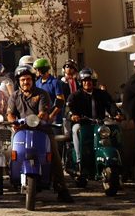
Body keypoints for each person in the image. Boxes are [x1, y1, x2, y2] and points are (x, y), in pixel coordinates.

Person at [7, 66, 73, 203]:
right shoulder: (14, 96)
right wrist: (13, 122)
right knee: (10, 151)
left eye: (28, 79)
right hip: (21, 130)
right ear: (18, 82)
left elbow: (43, 112)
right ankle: (12, 177)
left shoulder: (42, 94)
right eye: (23, 80)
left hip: (41, 129)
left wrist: (37, 118)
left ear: (33, 80)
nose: (26, 82)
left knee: (54, 156)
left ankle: (61, 188)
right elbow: (10, 114)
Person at [68, 68, 122, 163]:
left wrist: (117, 114)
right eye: (84, 81)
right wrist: (73, 115)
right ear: (81, 82)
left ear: (94, 81)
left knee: (115, 129)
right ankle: (79, 159)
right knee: (76, 130)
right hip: (83, 123)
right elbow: (68, 108)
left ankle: (120, 157)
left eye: (89, 80)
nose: (87, 83)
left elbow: (110, 105)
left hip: (100, 123)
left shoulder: (102, 94)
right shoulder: (75, 96)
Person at [34, 58, 66, 123]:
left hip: (54, 118)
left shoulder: (55, 82)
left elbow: (61, 101)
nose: (36, 72)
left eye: (38, 70)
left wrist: (52, 115)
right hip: (41, 118)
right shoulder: (37, 83)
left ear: (43, 70)